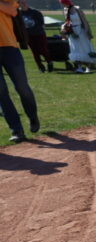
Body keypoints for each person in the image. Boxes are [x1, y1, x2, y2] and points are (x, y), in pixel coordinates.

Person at [0, 0, 39, 143]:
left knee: (22, 86)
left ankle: (32, 115)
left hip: (9, 47)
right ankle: (16, 130)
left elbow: (13, 11)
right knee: (1, 93)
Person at [60, 0, 96, 73]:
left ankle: (88, 68)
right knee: (75, 49)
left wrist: (88, 32)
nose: (63, 5)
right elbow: (67, 21)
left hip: (81, 30)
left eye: (63, 3)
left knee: (85, 48)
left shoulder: (77, 9)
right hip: (72, 32)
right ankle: (79, 67)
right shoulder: (65, 10)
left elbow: (84, 21)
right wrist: (64, 29)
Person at [17, 0, 51, 73]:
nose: (23, 4)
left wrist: (39, 30)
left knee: (43, 50)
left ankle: (49, 62)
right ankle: (40, 67)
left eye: (23, 2)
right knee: (35, 52)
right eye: (20, 2)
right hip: (29, 36)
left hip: (39, 34)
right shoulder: (18, 13)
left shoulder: (35, 12)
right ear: (18, 4)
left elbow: (42, 23)